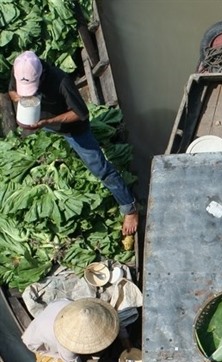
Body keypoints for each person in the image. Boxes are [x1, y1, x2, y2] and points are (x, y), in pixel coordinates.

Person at [8, 51, 139, 235]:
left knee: (101, 169)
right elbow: (12, 91)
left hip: (73, 129)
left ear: (41, 75)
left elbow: (80, 113)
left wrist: (48, 122)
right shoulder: (22, 70)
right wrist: (22, 98)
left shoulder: (61, 81)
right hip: (42, 123)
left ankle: (130, 208)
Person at [21, 298, 129, 362]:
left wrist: (127, 344)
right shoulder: (66, 343)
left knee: (108, 345)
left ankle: (84, 360)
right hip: (44, 346)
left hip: (50, 323)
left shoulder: (86, 309)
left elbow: (115, 321)